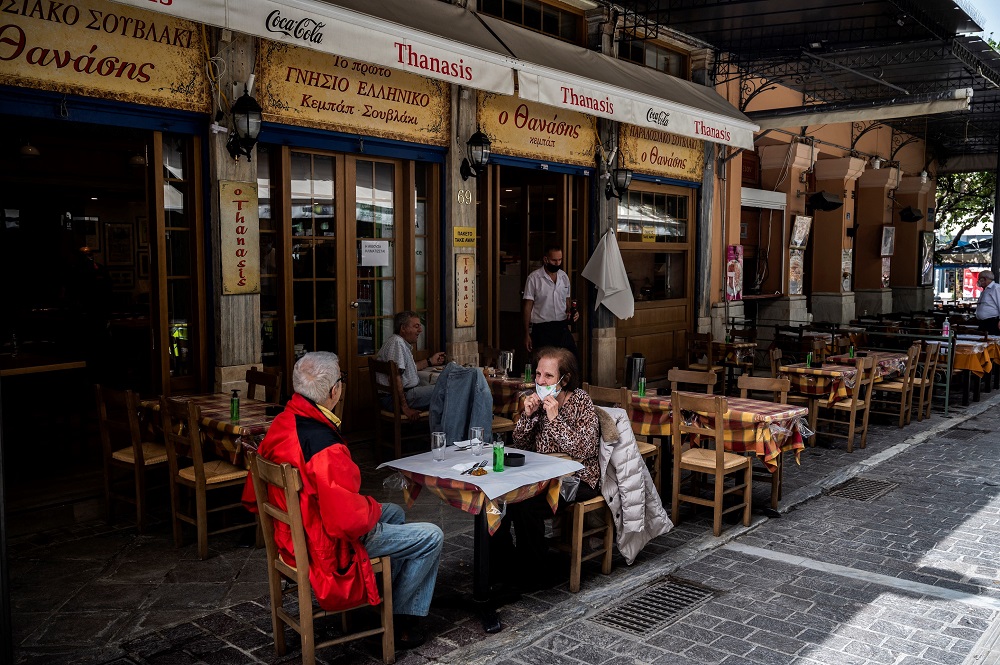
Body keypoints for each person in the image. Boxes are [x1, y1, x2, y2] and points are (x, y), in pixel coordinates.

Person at [242, 351, 442, 648]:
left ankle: (380, 601)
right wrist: (369, 508)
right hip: (324, 545)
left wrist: (369, 509)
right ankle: (399, 619)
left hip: (292, 537)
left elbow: (250, 495)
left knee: (395, 513)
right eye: (342, 380)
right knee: (432, 536)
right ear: (335, 391)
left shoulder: (284, 422)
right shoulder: (323, 445)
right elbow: (346, 522)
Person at [490, 346, 599, 588]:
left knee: (526, 504)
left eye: (548, 376)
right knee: (499, 498)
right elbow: (520, 442)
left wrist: (554, 418)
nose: (540, 381)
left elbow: (585, 449)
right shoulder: (537, 400)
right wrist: (528, 416)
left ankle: (534, 571)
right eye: (538, 374)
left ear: (565, 378)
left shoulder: (581, 400)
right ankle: (504, 562)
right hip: (541, 473)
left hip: (577, 478)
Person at [375, 311, 446, 419]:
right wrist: (405, 407)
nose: (420, 330)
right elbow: (395, 377)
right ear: (403, 328)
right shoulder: (397, 343)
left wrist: (430, 361)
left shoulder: (397, 341)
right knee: (449, 389)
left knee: (445, 386)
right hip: (397, 399)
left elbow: (408, 368)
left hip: (402, 396)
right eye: (416, 326)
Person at [523, 245, 579, 358]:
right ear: (546, 259)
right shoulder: (534, 278)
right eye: (554, 260)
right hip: (542, 328)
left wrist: (573, 313)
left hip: (561, 327)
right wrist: (526, 334)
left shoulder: (564, 277)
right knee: (544, 363)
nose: (557, 263)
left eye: (560, 260)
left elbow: (567, 302)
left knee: (571, 360)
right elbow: (527, 307)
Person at [975, 270, 1000, 335]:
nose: (978, 281)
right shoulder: (985, 290)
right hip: (983, 323)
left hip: (992, 322)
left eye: (980, 279)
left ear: (984, 279)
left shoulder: (995, 288)